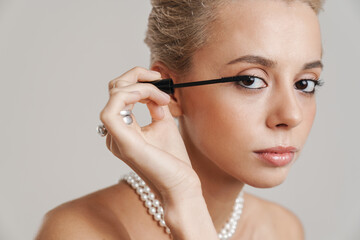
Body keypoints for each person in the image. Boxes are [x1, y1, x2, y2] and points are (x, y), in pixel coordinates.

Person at [35, 0, 325, 239]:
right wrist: (182, 194)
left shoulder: (282, 230)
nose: (291, 115)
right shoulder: (78, 232)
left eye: (305, 84)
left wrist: (189, 209)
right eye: (251, 80)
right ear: (170, 91)